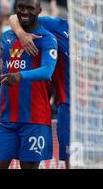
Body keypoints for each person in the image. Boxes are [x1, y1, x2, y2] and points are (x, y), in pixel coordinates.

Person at [0, 0, 58, 169]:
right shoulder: (7, 37)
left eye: (30, 8)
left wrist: (21, 75)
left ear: (39, 11)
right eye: (20, 7)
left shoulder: (47, 39)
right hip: (6, 120)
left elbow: (47, 71)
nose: (24, 11)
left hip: (35, 120)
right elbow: (5, 76)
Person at [9, 13, 70, 168]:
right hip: (69, 107)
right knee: (74, 163)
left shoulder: (101, 30)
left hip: (98, 108)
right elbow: (14, 17)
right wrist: (21, 34)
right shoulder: (57, 26)